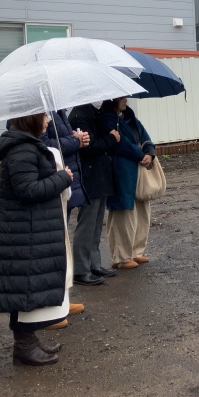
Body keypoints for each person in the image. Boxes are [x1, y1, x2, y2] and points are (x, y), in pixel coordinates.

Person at [0, 112, 74, 366]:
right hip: (22, 232)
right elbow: (28, 190)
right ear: (30, 119)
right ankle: (23, 346)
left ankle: (28, 341)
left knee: (26, 289)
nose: (47, 120)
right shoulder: (22, 149)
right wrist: (62, 177)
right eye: (43, 116)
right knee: (22, 289)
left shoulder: (27, 145)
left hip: (25, 231)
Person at [41, 109, 102, 286]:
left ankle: (62, 295)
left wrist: (76, 138)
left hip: (65, 181)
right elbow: (45, 145)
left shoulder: (58, 111)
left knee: (63, 239)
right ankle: (57, 295)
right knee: (56, 241)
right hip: (56, 180)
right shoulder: (39, 112)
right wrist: (76, 141)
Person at [99, 97, 155, 270]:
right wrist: (140, 154)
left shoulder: (129, 116)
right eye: (122, 97)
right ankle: (121, 256)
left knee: (141, 208)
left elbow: (143, 135)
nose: (126, 100)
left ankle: (136, 251)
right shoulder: (107, 118)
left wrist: (150, 151)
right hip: (120, 170)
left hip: (136, 168)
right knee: (123, 212)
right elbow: (119, 143)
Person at [69, 103, 121, 281]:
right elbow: (89, 147)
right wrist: (111, 139)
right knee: (87, 224)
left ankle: (94, 264)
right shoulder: (79, 115)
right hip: (90, 176)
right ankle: (81, 269)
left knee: (97, 223)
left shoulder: (93, 113)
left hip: (99, 175)